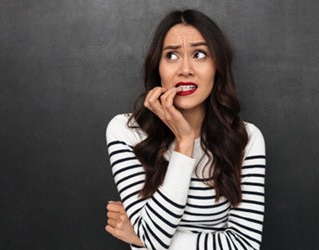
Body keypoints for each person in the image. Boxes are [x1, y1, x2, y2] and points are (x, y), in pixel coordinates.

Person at [105, 9, 266, 250]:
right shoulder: (127, 131)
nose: (185, 69)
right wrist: (185, 143)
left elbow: (245, 245)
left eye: (199, 54)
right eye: (171, 56)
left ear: (217, 67)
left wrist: (140, 237)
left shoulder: (246, 138)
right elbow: (154, 237)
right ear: (157, 67)